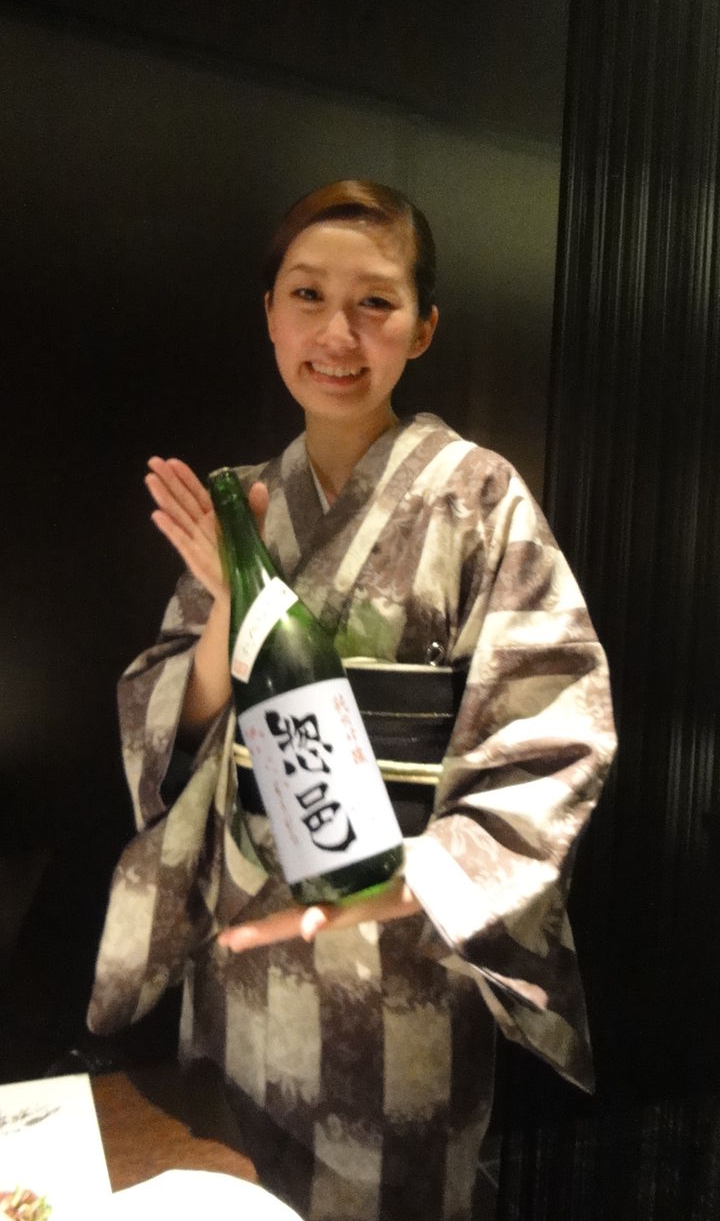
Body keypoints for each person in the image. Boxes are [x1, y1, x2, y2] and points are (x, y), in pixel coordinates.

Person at [87, 180, 617, 1220]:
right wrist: (227, 611)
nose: (338, 332)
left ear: (423, 328)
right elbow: (174, 729)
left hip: (403, 972)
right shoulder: (242, 500)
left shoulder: (479, 497)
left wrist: (415, 880)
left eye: (376, 301)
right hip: (243, 963)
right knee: (224, 1189)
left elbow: (554, 730)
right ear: (271, 315)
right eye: (308, 295)